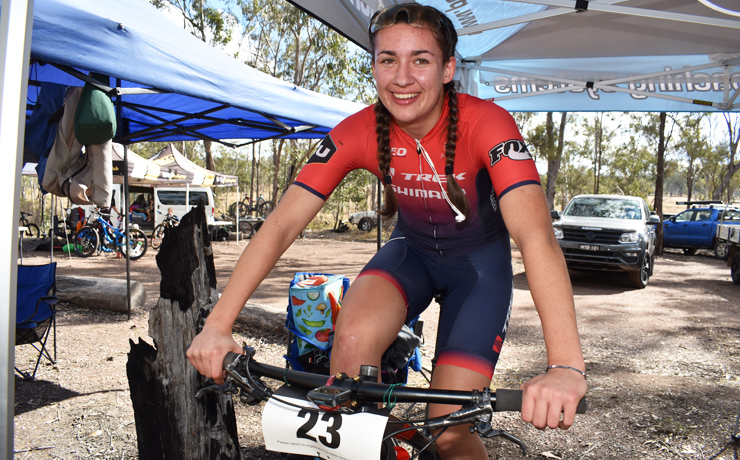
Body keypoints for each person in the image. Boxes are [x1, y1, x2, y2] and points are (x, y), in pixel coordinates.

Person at [187, 4, 587, 458]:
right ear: (374, 67)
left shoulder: (488, 124)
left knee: (451, 431)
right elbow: (280, 225)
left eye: (421, 59)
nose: (402, 77)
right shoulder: (358, 130)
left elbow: (536, 237)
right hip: (411, 254)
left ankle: (426, 439)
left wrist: (565, 365)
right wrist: (218, 325)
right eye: (388, 60)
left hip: (479, 271)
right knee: (349, 373)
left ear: (448, 69)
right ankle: (396, 443)